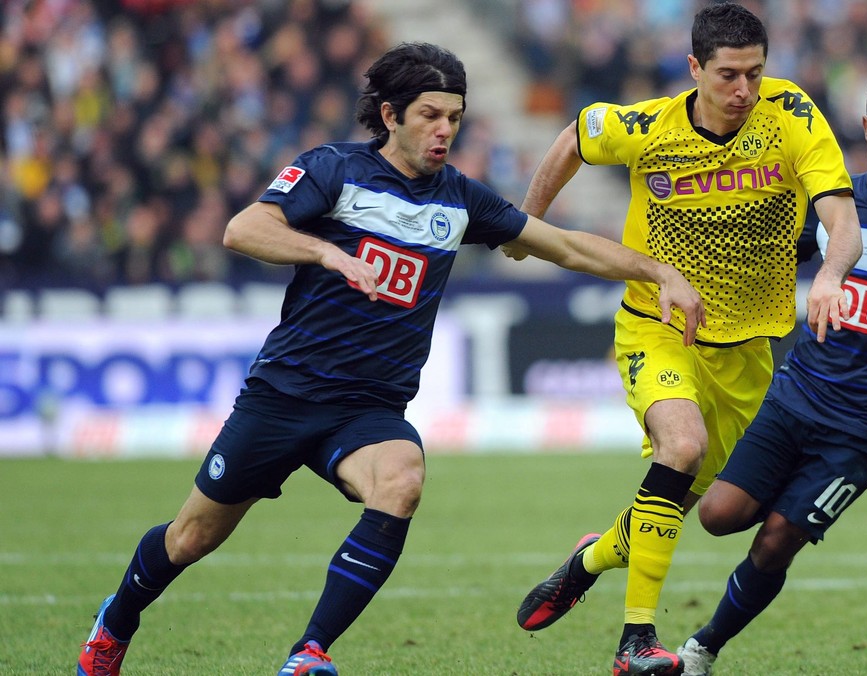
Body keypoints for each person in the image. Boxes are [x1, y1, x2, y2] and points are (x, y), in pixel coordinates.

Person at [76, 42, 706, 676]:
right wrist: (326, 253)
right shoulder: (332, 169)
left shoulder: (460, 198)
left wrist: (659, 272)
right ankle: (115, 624)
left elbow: (566, 246)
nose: (445, 130)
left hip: (368, 411)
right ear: (390, 115)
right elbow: (243, 228)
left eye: (455, 117)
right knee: (191, 538)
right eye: (431, 114)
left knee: (402, 477)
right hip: (284, 396)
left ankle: (309, 652)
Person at [509, 4, 863, 675]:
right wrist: (529, 224)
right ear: (694, 68)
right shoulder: (648, 127)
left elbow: (840, 214)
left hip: (748, 353)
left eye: (755, 74)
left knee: (672, 504)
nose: (744, 91)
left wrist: (834, 273)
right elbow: (576, 137)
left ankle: (589, 559)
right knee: (681, 446)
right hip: (658, 328)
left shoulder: (790, 114)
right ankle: (634, 642)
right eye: (729, 75)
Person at [674, 70, 867, 676]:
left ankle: (701, 649)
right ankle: (767, 519)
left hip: (863, 430)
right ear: (866, 125)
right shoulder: (832, 204)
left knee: (775, 541)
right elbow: (767, 263)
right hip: (795, 397)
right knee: (718, 517)